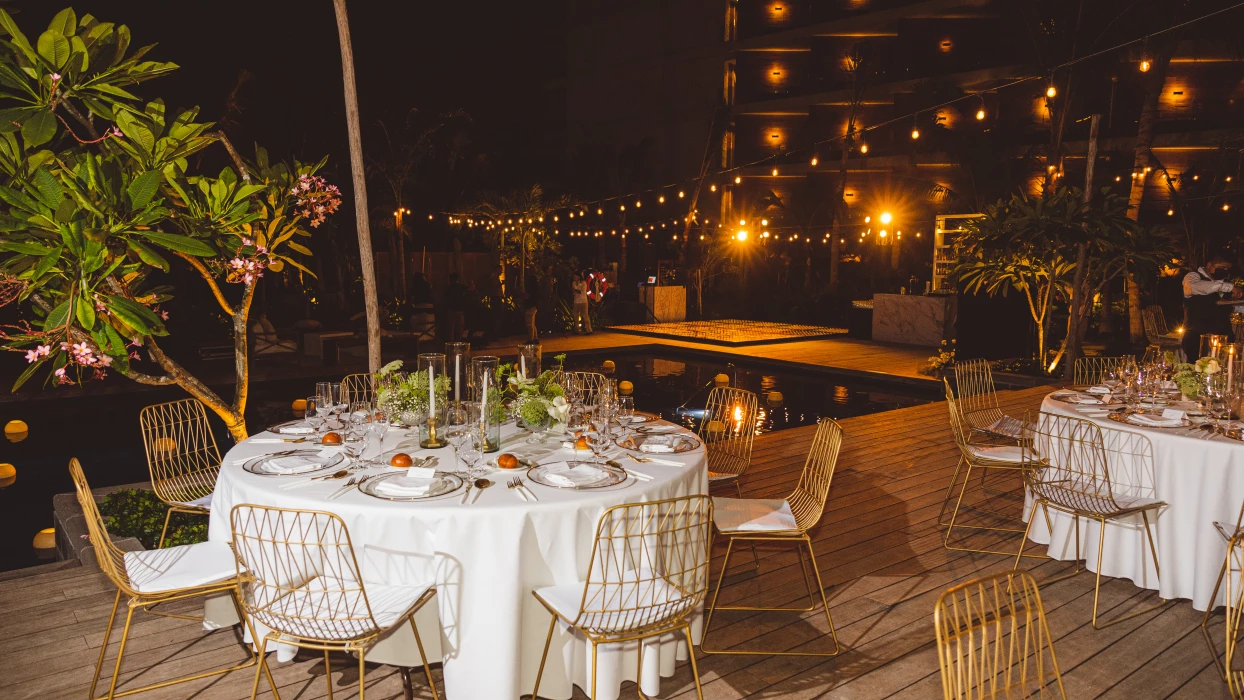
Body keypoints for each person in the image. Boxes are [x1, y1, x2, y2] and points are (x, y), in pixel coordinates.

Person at [1181, 255, 1242, 360]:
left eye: (1227, 268)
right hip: (1197, 339)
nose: (1225, 270)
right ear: (1209, 265)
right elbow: (1193, 287)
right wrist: (1229, 287)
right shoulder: (1193, 277)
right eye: (1222, 267)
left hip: (1223, 339)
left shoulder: (1222, 281)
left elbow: (1227, 306)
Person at [443, 272, 467, 342]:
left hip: (450, 310)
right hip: (459, 310)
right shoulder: (461, 287)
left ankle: (451, 344)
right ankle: (458, 343)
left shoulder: (447, 288)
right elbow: (470, 289)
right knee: (459, 329)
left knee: (451, 329)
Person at [522, 276, 539, 342]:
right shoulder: (536, 289)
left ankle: (530, 339)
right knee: (532, 324)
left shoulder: (531, 289)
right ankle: (535, 338)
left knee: (529, 324)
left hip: (530, 307)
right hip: (534, 306)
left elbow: (528, 297)